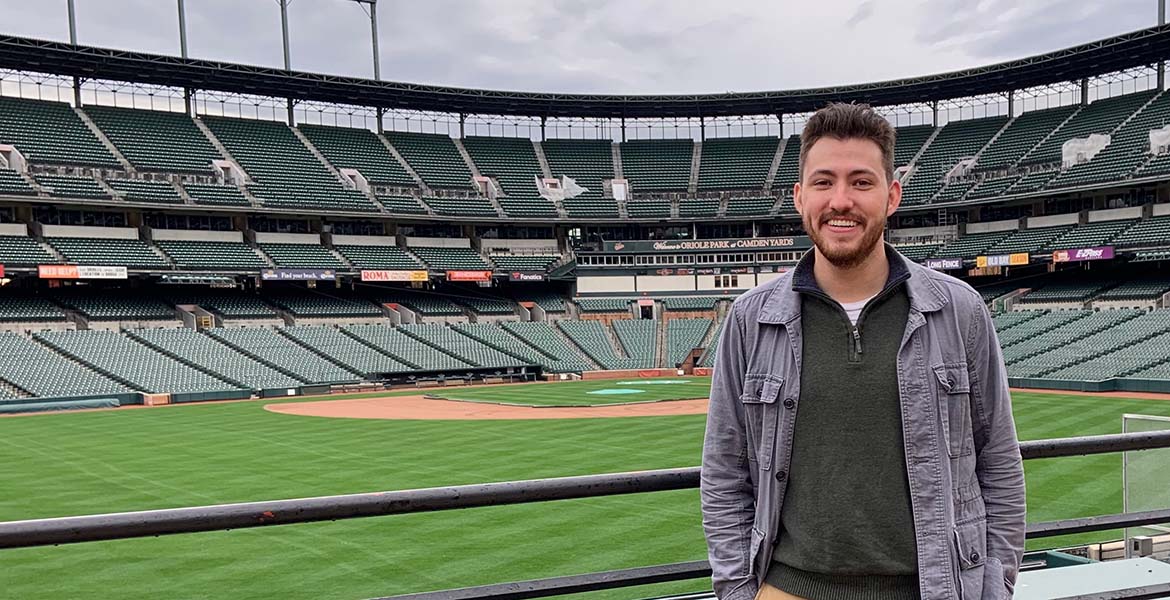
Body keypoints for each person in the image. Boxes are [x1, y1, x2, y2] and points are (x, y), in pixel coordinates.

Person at [700, 102, 1026, 600]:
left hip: (932, 589)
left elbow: (998, 462)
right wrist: (740, 592)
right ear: (800, 196)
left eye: (861, 182)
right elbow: (725, 470)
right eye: (824, 181)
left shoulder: (959, 310)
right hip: (788, 589)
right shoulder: (750, 318)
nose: (841, 200)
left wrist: (995, 586)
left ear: (892, 196)